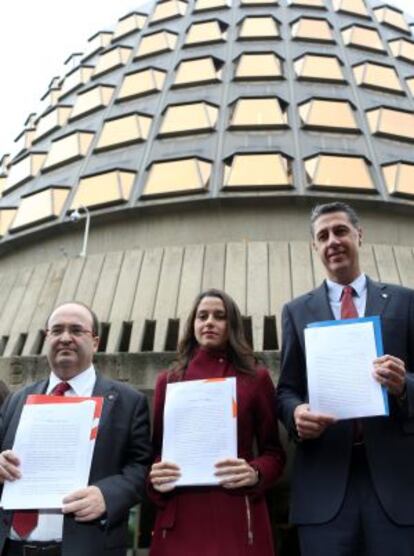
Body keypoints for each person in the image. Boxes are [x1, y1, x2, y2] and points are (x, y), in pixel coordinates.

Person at [276, 202, 414, 556]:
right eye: (323, 236)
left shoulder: (404, 302)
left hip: (397, 486)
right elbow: (287, 390)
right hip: (324, 485)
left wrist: (403, 386)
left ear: (359, 235)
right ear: (315, 247)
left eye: (340, 231)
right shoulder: (296, 312)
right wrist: (295, 414)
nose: (332, 241)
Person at [0, 302, 152, 556]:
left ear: (95, 342)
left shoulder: (128, 401)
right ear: (46, 338)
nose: (66, 338)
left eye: (76, 330)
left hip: (86, 547)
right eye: (57, 330)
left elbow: (142, 467)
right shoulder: (17, 400)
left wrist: (107, 495)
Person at [148, 288, 285, 556]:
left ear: (231, 325)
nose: (209, 321)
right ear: (193, 325)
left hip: (235, 510)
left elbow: (274, 453)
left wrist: (255, 472)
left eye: (219, 316)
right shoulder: (168, 381)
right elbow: (156, 453)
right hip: (180, 515)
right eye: (202, 316)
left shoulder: (255, 378)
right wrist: (155, 475)